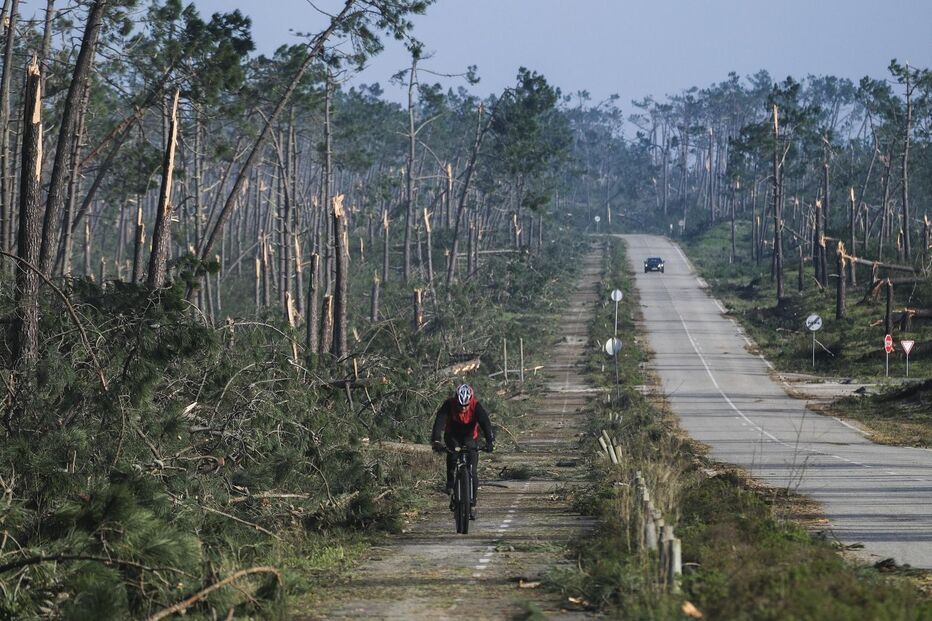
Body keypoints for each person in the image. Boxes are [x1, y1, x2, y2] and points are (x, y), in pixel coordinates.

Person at [431, 383, 494, 516]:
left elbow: (485, 423)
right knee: (453, 454)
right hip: (453, 435)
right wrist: (436, 440)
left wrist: (490, 441)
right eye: (460, 405)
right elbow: (439, 421)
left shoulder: (476, 406)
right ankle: (450, 482)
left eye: (465, 405)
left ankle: (473, 504)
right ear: (456, 401)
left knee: (473, 470)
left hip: (470, 437)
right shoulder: (448, 404)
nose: (463, 408)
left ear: (470, 401)